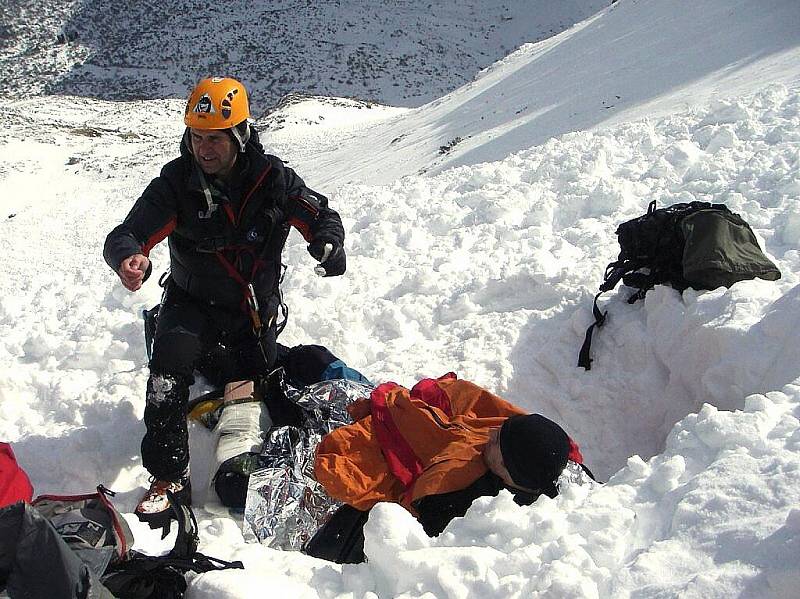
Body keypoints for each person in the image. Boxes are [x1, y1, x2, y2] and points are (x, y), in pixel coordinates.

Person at [103, 76, 346, 526]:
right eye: (196, 138)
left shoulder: (274, 179)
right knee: (168, 366)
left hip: (251, 312)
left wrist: (328, 243)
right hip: (190, 302)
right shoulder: (176, 183)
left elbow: (318, 213)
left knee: (253, 377)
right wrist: (129, 256)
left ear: (239, 136)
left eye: (214, 139)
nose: (203, 150)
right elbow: (128, 231)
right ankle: (169, 476)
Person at [309, 373, 594, 561]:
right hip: (398, 418)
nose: (490, 434)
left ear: (507, 472)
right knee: (315, 366)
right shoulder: (543, 455)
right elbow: (473, 402)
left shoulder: (458, 499)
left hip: (380, 448)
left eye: (497, 442)